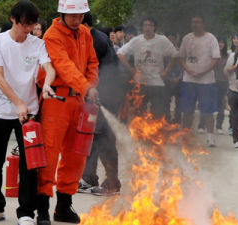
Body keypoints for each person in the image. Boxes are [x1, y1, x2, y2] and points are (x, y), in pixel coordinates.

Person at [0, 2, 55, 225]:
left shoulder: (37, 44)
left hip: (29, 115)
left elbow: (49, 67)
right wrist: (18, 103)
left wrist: (48, 84)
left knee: (29, 164)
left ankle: (26, 213)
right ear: (13, 19)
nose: (27, 30)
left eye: (31, 26)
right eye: (23, 25)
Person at [35, 0, 99, 224]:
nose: (78, 19)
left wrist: (90, 86)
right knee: (49, 154)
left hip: (80, 100)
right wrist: (87, 87)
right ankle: (42, 209)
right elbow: (63, 66)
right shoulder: (52, 35)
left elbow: (92, 62)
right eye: (73, 16)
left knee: (77, 154)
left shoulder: (84, 32)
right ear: (61, 13)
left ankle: (63, 205)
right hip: (56, 99)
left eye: (81, 15)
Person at [79, 12, 122, 196]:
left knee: (103, 140)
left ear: (85, 24)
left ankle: (111, 183)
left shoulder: (93, 40)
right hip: (103, 94)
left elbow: (87, 68)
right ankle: (90, 178)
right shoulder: (96, 37)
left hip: (105, 96)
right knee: (94, 137)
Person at [118, 15, 177, 119]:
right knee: (139, 110)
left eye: (150, 25)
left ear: (155, 27)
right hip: (140, 82)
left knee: (158, 111)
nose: (147, 28)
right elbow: (120, 53)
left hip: (157, 82)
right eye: (145, 25)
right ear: (142, 27)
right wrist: (131, 69)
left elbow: (174, 54)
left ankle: (156, 134)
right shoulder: (136, 40)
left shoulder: (162, 40)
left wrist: (166, 71)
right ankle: (139, 133)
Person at [179, 16, 220, 147]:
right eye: (193, 22)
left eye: (198, 22)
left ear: (203, 24)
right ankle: (185, 136)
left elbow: (215, 58)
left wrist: (203, 71)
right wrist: (189, 71)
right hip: (188, 80)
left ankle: (210, 137)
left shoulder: (211, 38)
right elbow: (181, 57)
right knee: (187, 110)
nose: (195, 24)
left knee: (208, 111)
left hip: (206, 81)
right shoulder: (186, 38)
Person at [198, 37, 229, 134]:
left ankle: (219, 126)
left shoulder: (227, 56)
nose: (220, 44)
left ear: (224, 44)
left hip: (223, 82)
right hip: (210, 82)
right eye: (219, 42)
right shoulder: (210, 55)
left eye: (222, 42)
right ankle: (201, 125)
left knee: (221, 105)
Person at [164, 32, 183, 124]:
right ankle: (167, 121)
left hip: (179, 82)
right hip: (167, 82)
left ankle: (177, 122)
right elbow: (161, 68)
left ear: (176, 40)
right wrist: (169, 78)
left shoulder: (181, 52)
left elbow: (184, 67)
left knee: (179, 103)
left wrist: (178, 78)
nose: (171, 41)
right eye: (169, 39)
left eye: (173, 39)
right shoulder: (162, 54)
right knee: (165, 102)